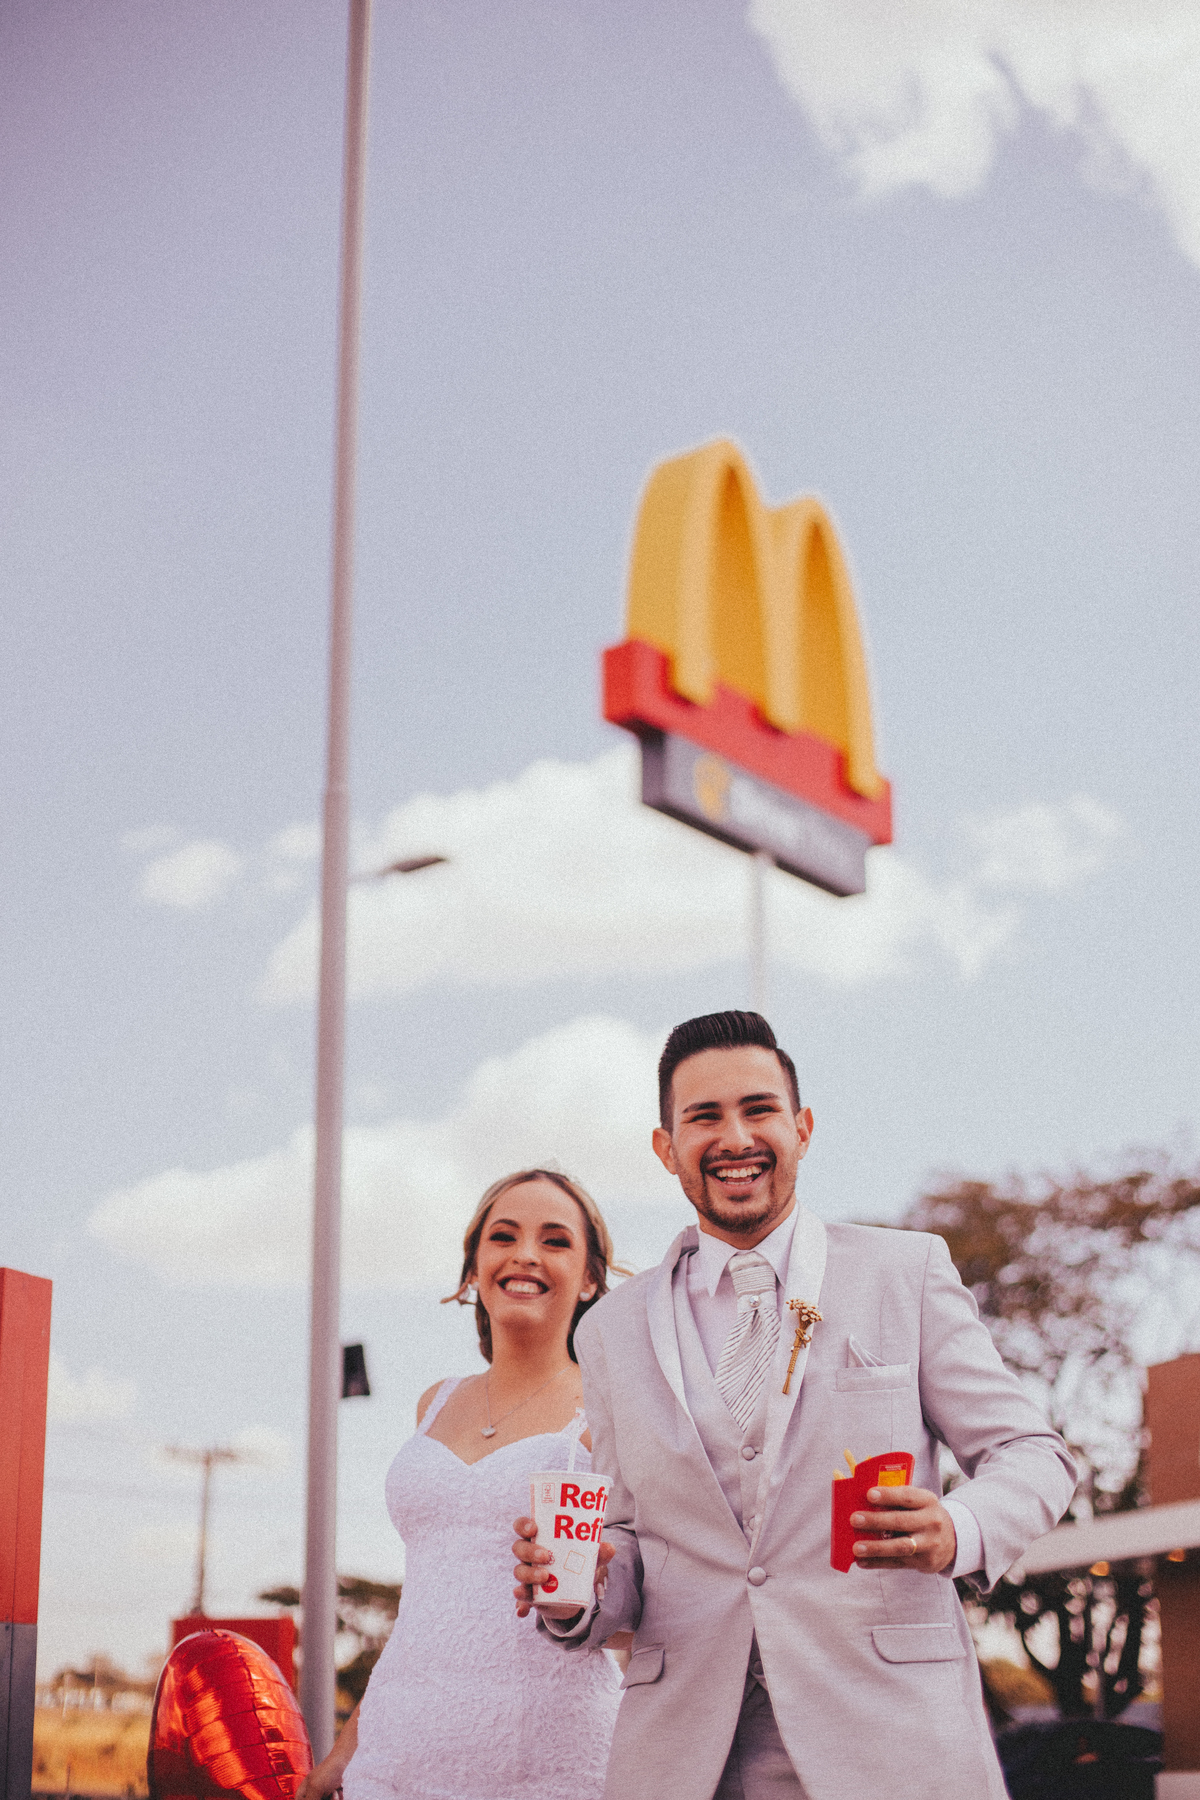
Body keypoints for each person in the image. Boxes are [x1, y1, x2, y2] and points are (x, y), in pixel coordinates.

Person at [513, 1012, 1076, 1800]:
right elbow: (629, 1536)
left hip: (888, 1744)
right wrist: (581, 1588)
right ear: (666, 1147)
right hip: (687, 1760)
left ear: (802, 1129)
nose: (735, 1137)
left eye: (759, 1109)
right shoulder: (609, 1330)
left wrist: (959, 1527)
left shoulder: (905, 1272)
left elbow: (1034, 1455)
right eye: (704, 1117)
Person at [300, 1169, 625, 1800]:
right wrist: (345, 1752)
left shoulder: (612, 1406)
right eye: (503, 1236)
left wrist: (592, 1595)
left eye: (555, 1240)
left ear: (589, 1278)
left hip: (550, 1761)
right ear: (474, 1267)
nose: (525, 1254)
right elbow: (429, 1607)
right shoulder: (434, 1402)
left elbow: (654, 1598)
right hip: (397, 1756)